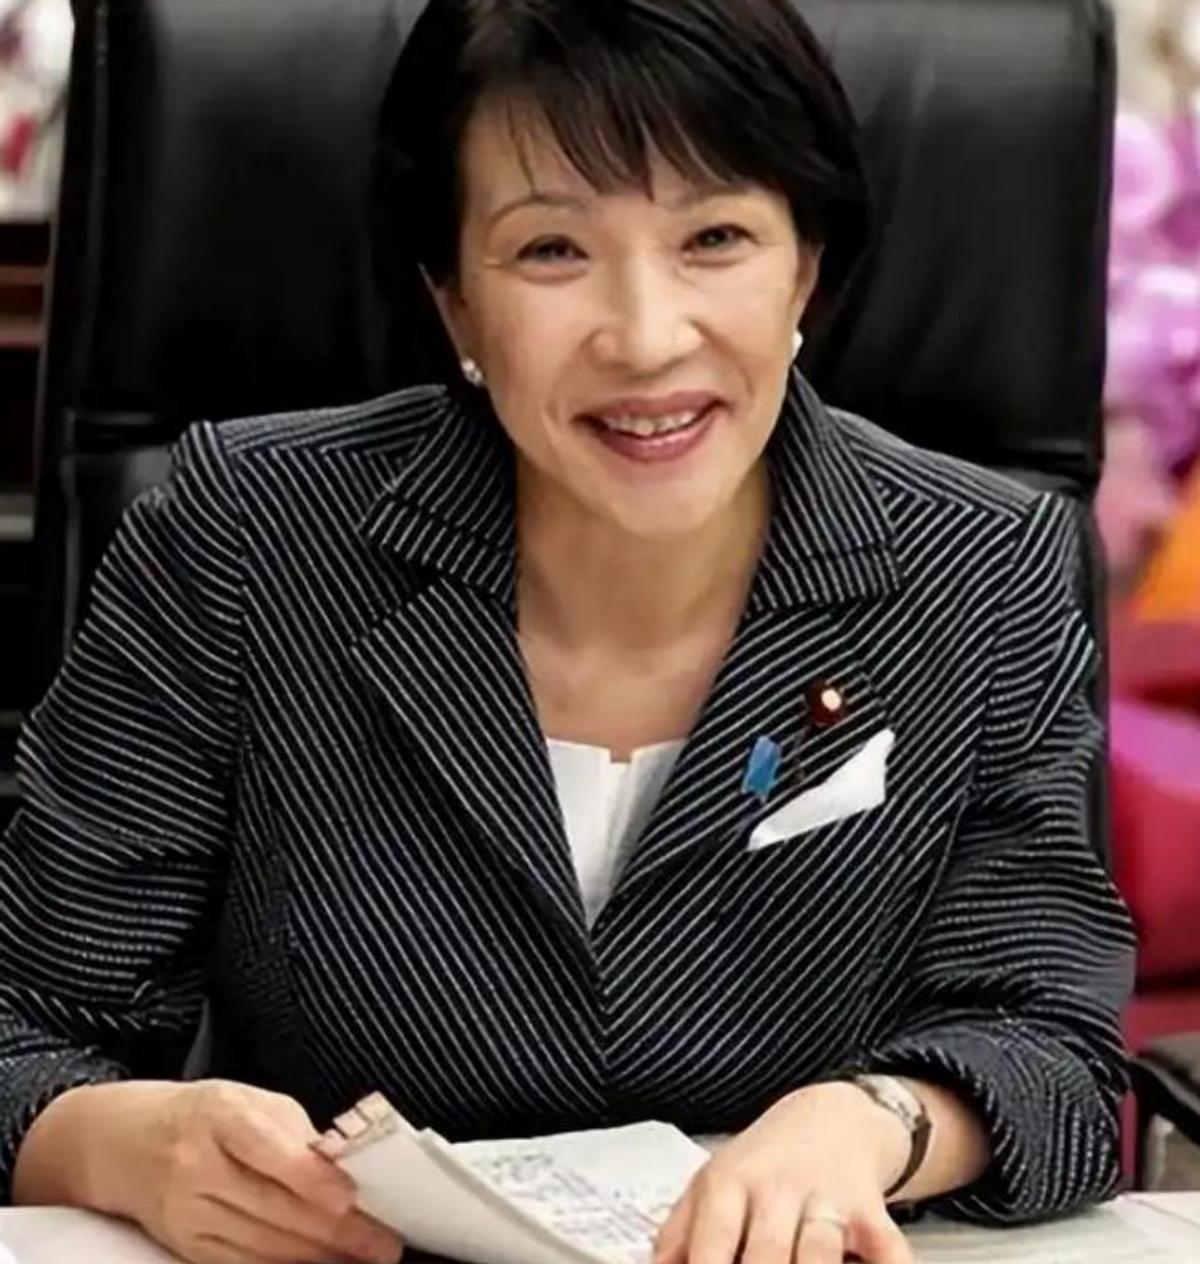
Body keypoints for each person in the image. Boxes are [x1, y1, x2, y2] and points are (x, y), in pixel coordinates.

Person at [0, 1, 1134, 1263]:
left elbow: (1055, 1055)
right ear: (453, 301)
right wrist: (118, 1142)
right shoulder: (249, 540)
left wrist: (874, 1121)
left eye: (714, 238)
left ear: (805, 265)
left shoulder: (981, 569)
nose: (646, 338)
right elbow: (23, 1023)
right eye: (551, 250)